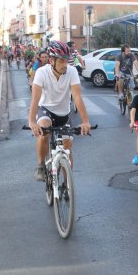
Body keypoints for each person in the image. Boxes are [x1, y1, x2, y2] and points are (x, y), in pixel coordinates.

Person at [28, 41, 91, 181]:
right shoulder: (41, 73)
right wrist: (32, 121)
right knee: (44, 130)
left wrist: (86, 121)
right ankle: (40, 166)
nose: (65, 64)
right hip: (46, 109)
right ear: (51, 60)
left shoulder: (72, 71)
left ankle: (67, 183)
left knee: (68, 145)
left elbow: (78, 98)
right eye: (61, 61)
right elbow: (35, 99)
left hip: (64, 112)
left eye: (67, 60)